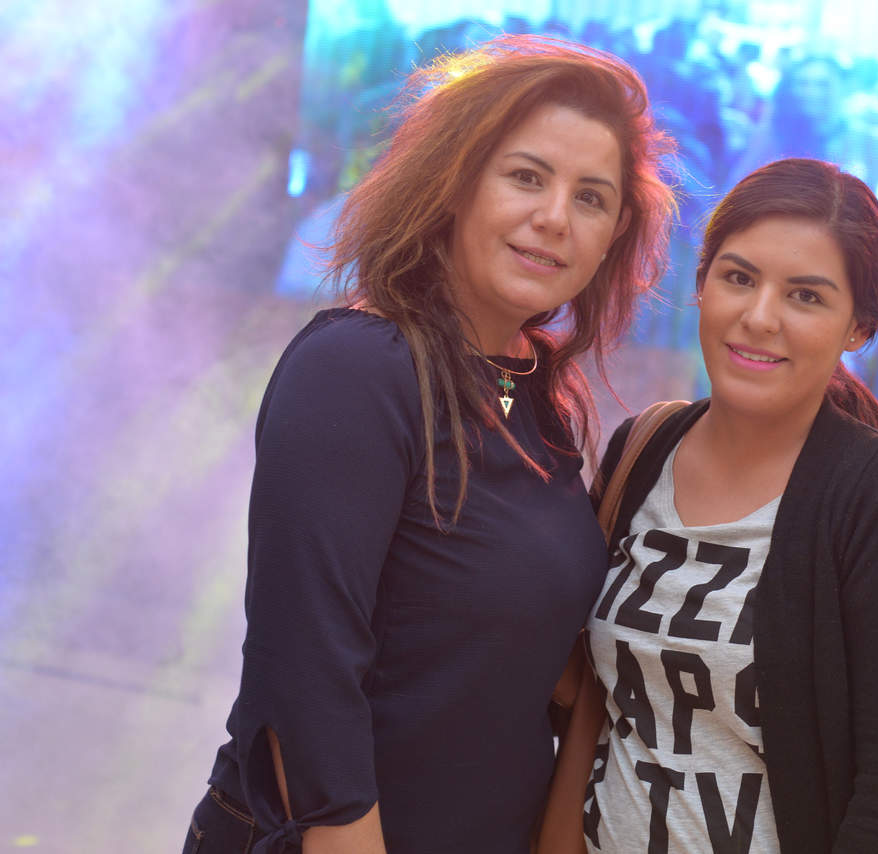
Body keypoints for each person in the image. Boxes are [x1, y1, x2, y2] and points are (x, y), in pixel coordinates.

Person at [181, 35, 675, 854]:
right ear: (455, 180)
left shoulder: (537, 397)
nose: (555, 218)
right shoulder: (357, 368)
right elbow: (303, 669)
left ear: (614, 232)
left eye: (591, 198)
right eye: (526, 177)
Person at [583, 158, 878, 853]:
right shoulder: (642, 450)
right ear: (701, 284)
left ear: (859, 326)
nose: (759, 318)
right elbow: (593, 712)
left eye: (806, 296)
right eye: (739, 278)